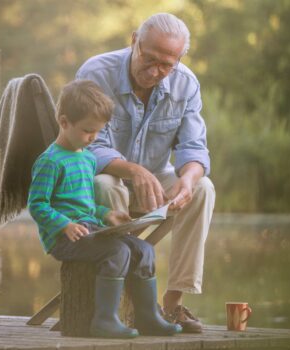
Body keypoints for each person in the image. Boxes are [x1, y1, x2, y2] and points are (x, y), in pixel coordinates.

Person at [75, 13, 216, 333]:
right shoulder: (96, 73)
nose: (155, 72)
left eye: (166, 64)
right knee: (105, 184)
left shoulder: (187, 83)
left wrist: (188, 180)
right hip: (103, 178)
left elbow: (194, 149)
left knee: (203, 187)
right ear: (134, 40)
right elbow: (88, 148)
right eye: (149, 59)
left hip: (155, 179)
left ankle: (172, 305)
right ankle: (118, 302)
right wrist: (133, 170)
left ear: (179, 59)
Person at [27, 80, 182, 338]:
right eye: (88, 131)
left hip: (90, 229)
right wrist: (64, 224)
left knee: (143, 249)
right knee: (117, 251)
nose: (93, 138)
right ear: (64, 122)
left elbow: (85, 205)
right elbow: (37, 205)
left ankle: (147, 318)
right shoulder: (50, 161)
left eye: (98, 132)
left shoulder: (87, 158)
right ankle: (104, 320)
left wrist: (107, 214)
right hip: (63, 238)